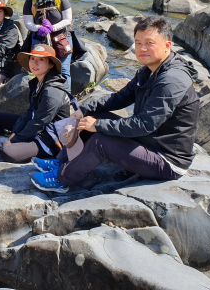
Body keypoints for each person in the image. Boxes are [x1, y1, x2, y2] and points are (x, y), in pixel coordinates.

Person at [31, 17, 200, 194]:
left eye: (149, 43)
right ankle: (64, 161)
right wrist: (86, 109)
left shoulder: (172, 80)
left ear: (167, 45)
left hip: (167, 159)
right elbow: (120, 97)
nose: (142, 48)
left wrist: (97, 126)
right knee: (93, 117)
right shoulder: (149, 71)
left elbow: (144, 124)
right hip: (149, 141)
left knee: (101, 141)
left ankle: (62, 178)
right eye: (138, 42)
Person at [0, 44, 73, 162]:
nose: (35, 63)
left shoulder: (52, 91)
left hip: (50, 138)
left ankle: (16, 146)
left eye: (41, 60)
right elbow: (30, 111)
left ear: (50, 65)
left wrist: (14, 140)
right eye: (32, 58)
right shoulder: (38, 83)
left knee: (7, 153)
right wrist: (15, 134)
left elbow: (39, 122)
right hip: (37, 127)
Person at [22, 0, 74, 89]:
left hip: (61, 38)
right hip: (39, 38)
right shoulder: (30, 1)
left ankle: (65, 99)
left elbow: (68, 19)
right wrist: (39, 27)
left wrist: (53, 27)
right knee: (38, 70)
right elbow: (28, 22)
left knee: (64, 70)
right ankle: (42, 96)